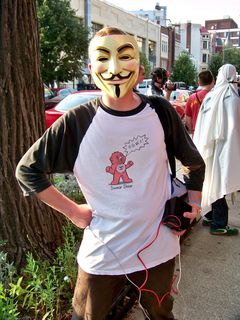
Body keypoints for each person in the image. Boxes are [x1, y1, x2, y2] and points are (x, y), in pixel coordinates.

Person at [16, 27, 205, 320]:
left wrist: (192, 206)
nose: (115, 69)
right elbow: (28, 170)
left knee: (161, 315)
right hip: (102, 252)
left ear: (140, 71)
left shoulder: (160, 112)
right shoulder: (77, 122)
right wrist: (73, 212)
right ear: (92, 69)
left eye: (125, 57)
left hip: (158, 248)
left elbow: (195, 163)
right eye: (104, 58)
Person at [193, 64, 240, 236]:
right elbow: (235, 128)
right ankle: (219, 223)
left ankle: (210, 216)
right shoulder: (232, 98)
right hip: (224, 148)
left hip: (207, 147)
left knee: (211, 182)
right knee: (220, 183)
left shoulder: (211, 96)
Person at [185, 70, 215, 136]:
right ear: (213, 80)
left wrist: (193, 130)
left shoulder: (192, 98)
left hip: (196, 135)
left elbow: (188, 120)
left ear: (199, 83)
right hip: (212, 136)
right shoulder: (217, 97)